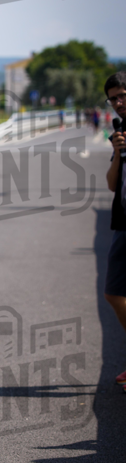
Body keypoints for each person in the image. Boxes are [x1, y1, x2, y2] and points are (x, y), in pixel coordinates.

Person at [103, 73, 126, 393]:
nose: (119, 103)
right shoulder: (120, 132)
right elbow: (111, 184)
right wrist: (119, 152)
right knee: (113, 291)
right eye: (113, 99)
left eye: (122, 95)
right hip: (123, 221)